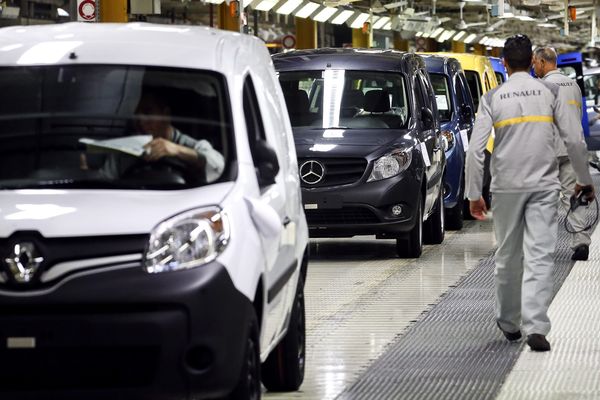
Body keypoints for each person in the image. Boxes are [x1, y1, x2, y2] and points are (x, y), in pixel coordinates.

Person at [465, 34, 595, 352]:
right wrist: (583, 178)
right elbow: (575, 140)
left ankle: (509, 322)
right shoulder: (549, 93)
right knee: (539, 256)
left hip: (507, 187)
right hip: (544, 186)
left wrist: (473, 194)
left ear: (506, 63)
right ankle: (536, 325)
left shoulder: (493, 98)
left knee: (508, 255)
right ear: (531, 63)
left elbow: (475, 150)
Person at [532, 46, 592, 261]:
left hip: (549, 150)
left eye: (534, 63)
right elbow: (577, 115)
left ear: (542, 62)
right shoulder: (573, 85)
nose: (533, 67)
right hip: (573, 148)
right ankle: (581, 243)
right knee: (574, 197)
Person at [101, 89, 225, 183]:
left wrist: (177, 150)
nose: (141, 121)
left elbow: (220, 168)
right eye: (136, 115)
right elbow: (103, 181)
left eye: (148, 113)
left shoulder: (192, 145)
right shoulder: (123, 150)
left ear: (165, 114)